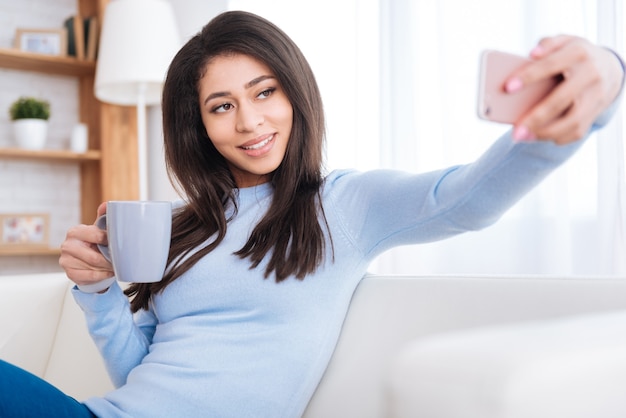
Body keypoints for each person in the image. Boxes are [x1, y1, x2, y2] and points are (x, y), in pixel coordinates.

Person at [1, 10, 624, 418]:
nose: (250, 122)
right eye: (221, 106)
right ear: (198, 126)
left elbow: (468, 200)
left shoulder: (340, 205)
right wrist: (101, 292)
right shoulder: (181, 225)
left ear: (294, 93)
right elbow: (142, 374)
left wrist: (597, 85)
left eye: (265, 92)